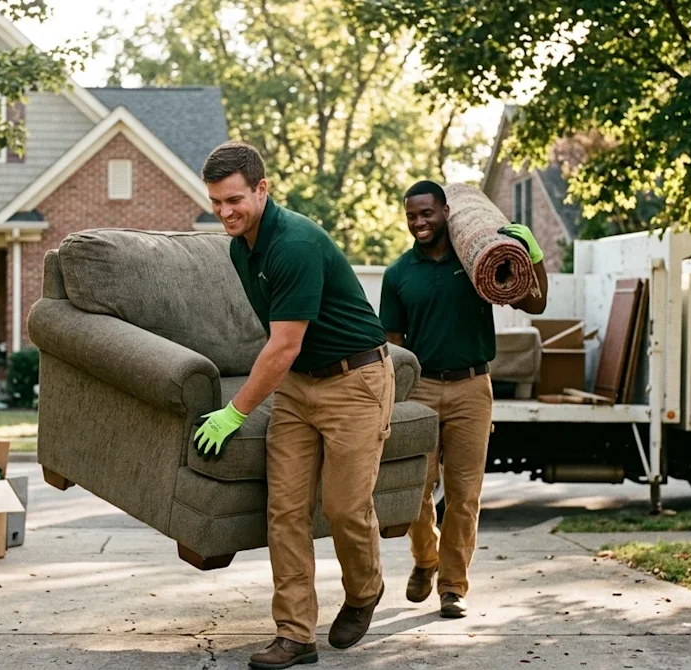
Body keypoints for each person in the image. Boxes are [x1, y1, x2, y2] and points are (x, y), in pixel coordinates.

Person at [194, 141, 395, 670]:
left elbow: (283, 344)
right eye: (215, 202)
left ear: (262, 189)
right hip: (299, 389)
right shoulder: (242, 248)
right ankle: (295, 634)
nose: (224, 212)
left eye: (234, 199)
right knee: (283, 511)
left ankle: (365, 591)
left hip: (356, 380)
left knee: (346, 508)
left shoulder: (296, 243)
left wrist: (234, 412)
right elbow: (279, 344)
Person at [380, 180, 547, 619]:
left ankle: (452, 587)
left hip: (474, 388)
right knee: (416, 489)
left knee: (464, 494)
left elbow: (536, 304)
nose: (419, 222)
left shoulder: (477, 263)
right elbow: (393, 346)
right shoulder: (398, 275)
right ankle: (425, 560)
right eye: (412, 215)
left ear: (446, 212)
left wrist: (533, 254)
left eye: (427, 213)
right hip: (421, 389)